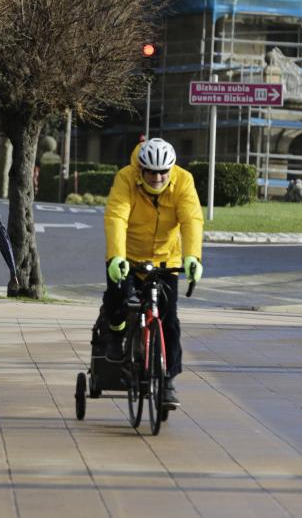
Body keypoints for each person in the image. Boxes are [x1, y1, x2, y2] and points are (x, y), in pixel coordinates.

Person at [102, 137, 204, 407]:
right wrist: (116, 257)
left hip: (165, 260)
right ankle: (115, 334)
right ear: (140, 169)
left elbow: (191, 219)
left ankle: (168, 381)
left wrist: (192, 256)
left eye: (163, 172)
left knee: (169, 321)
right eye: (151, 172)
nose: (157, 177)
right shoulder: (125, 178)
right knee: (118, 299)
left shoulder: (183, 180)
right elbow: (117, 216)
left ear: (171, 169)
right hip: (128, 257)